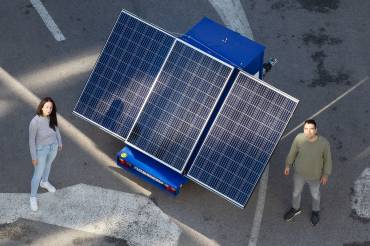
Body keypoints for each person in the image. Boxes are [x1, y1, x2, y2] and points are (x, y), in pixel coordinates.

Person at [283, 119, 332, 226]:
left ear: (316, 130)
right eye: (305, 129)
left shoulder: (324, 143)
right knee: (296, 193)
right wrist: (288, 165)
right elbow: (292, 152)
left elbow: (328, 160)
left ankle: (316, 211)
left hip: (315, 176)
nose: (308, 131)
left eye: (311, 129)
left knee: (315, 195)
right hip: (299, 174)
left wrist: (325, 174)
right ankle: (295, 209)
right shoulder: (299, 138)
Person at [29, 97, 62, 211]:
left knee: (48, 166)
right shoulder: (35, 122)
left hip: (53, 147)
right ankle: (33, 197)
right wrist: (34, 157)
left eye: (51, 107)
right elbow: (31, 141)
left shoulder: (52, 117)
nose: (49, 109)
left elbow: (56, 129)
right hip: (41, 150)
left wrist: (59, 142)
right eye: (47, 107)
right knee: (37, 174)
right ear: (41, 107)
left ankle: (45, 182)